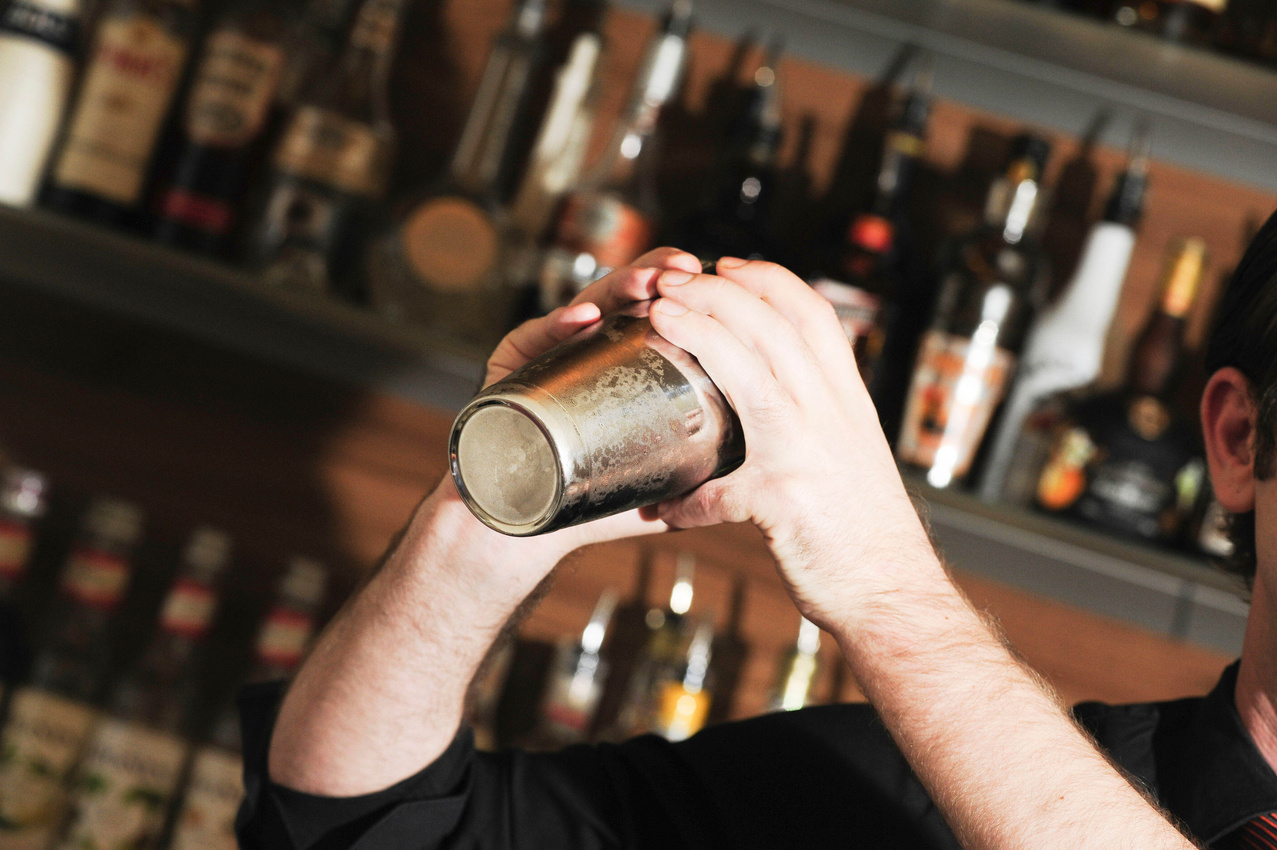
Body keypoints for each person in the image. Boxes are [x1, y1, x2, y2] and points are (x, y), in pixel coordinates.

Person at [235, 217, 1277, 848]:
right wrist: (505, 500)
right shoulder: (901, 797)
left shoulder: (958, 718)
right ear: (1235, 441)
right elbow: (357, 829)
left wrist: (893, 599)